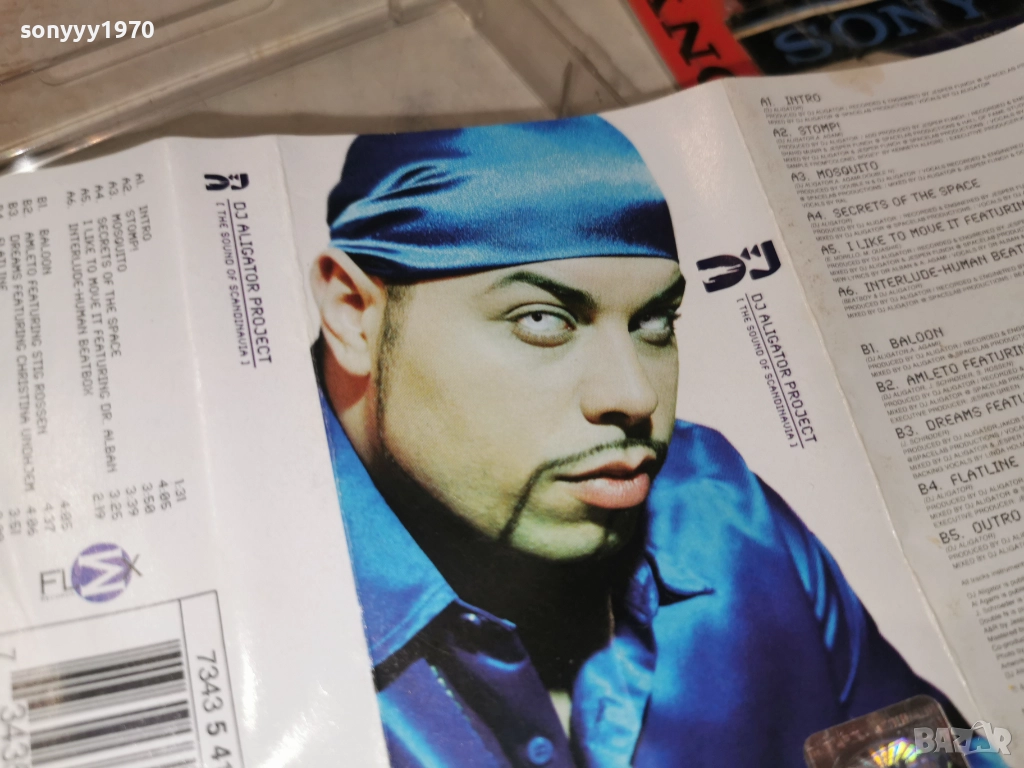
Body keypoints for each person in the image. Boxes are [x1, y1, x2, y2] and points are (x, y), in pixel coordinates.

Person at [310, 116, 999, 767]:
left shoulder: (721, 510)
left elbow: (919, 749)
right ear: (353, 313)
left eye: (655, 323)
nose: (636, 395)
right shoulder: (282, 626)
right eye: (542, 320)